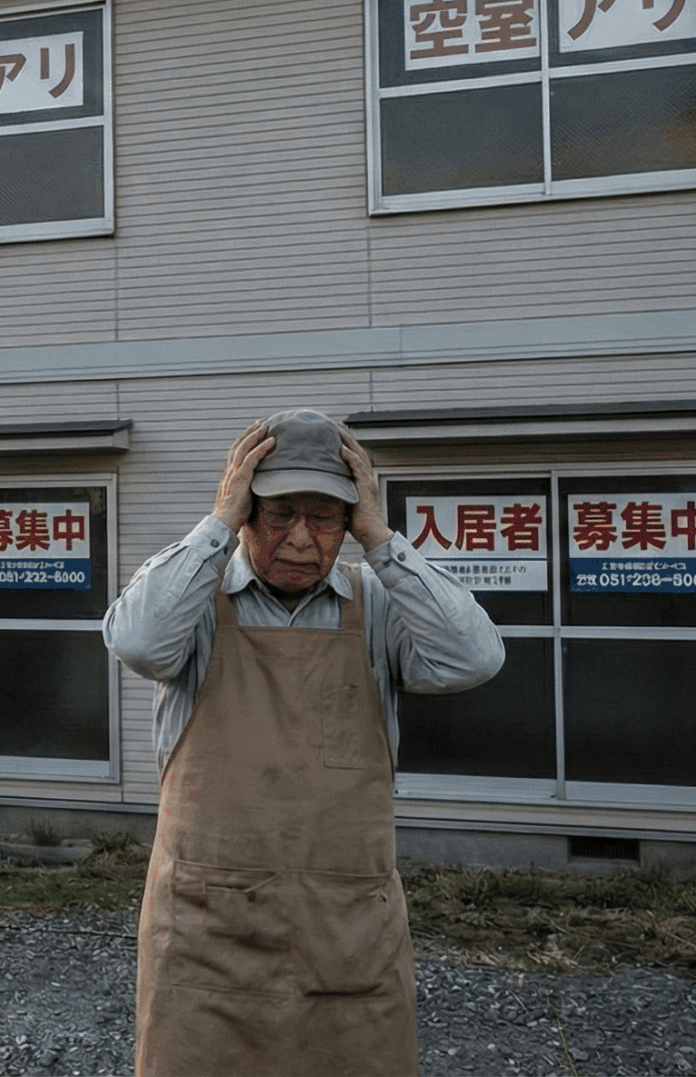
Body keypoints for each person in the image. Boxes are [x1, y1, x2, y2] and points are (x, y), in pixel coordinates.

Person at [103, 409, 505, 1076]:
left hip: (348, 935)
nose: (300, 539)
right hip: (207, 935)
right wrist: (216, 526)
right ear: (246, 511)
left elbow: (475, 658)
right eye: (279, 513)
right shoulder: (192, 598)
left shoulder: (376, 602)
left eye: (324, 518)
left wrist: (381, 539)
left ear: (348, 523)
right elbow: (138, 643)